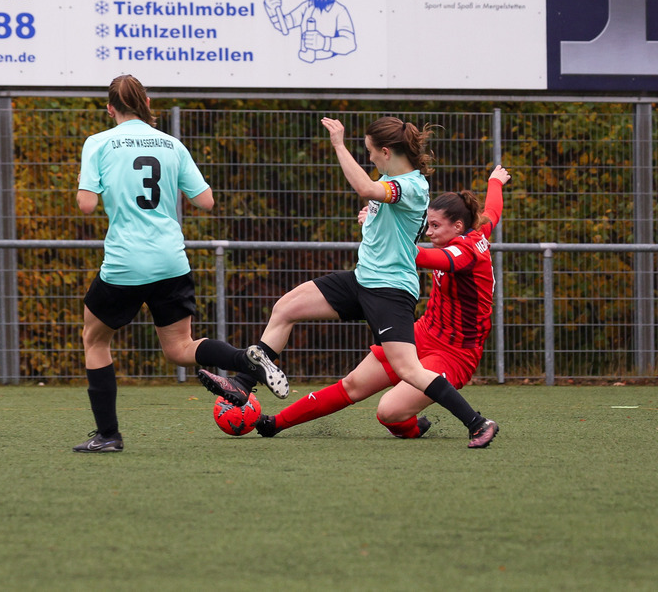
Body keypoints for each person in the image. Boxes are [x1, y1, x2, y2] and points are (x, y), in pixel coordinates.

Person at [198, 117, 499, 448]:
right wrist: (371, 217)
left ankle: (478, 423)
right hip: (363, 279)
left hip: (390, 290)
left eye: (369, 151)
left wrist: (339, 145)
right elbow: (381, 207)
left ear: (385, 151)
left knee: (409, 370)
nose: (368, 157)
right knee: (285, 308)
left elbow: (367, 190)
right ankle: (243, 383)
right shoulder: (390, 180)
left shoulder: (413, 186)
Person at [72, 75, 288, 453]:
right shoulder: (172, 144)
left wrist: (99, 184)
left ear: (110, 108)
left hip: (126, 261)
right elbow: (206, 201)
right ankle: (246, 360)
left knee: (94, 339)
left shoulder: (99, 143)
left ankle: (108, 435)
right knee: (179, 348)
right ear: (148, 102)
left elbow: (86, 204)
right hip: (171, 260)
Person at [253, 166, 510, 445]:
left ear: (458, 226)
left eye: (435, 226)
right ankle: (274, 424)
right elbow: (492, 209)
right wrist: (495, 181)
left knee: (388, 412)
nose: (428, 231)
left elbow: (416, 256)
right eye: (429, 223)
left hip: (456, 352)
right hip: (424, 332)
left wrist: (379, 228)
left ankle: (471, 424)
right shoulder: (477, 229)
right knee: (353, 385)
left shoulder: (464, 252)